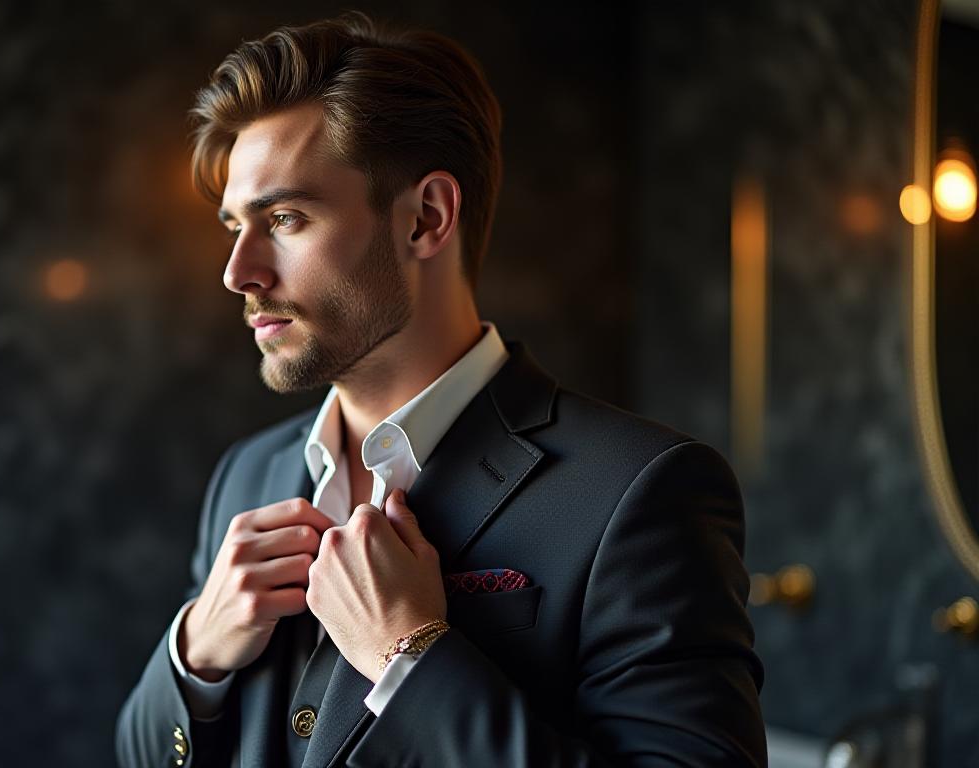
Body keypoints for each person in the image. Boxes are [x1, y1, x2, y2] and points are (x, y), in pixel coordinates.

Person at [116, 12, 766, 768]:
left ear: (426, 218)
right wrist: (196, 650)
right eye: (234, 225)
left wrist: (411, 656)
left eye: (285, 218)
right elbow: (138, 752)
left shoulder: (642, 491)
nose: (238, 272)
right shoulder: (246, 475)